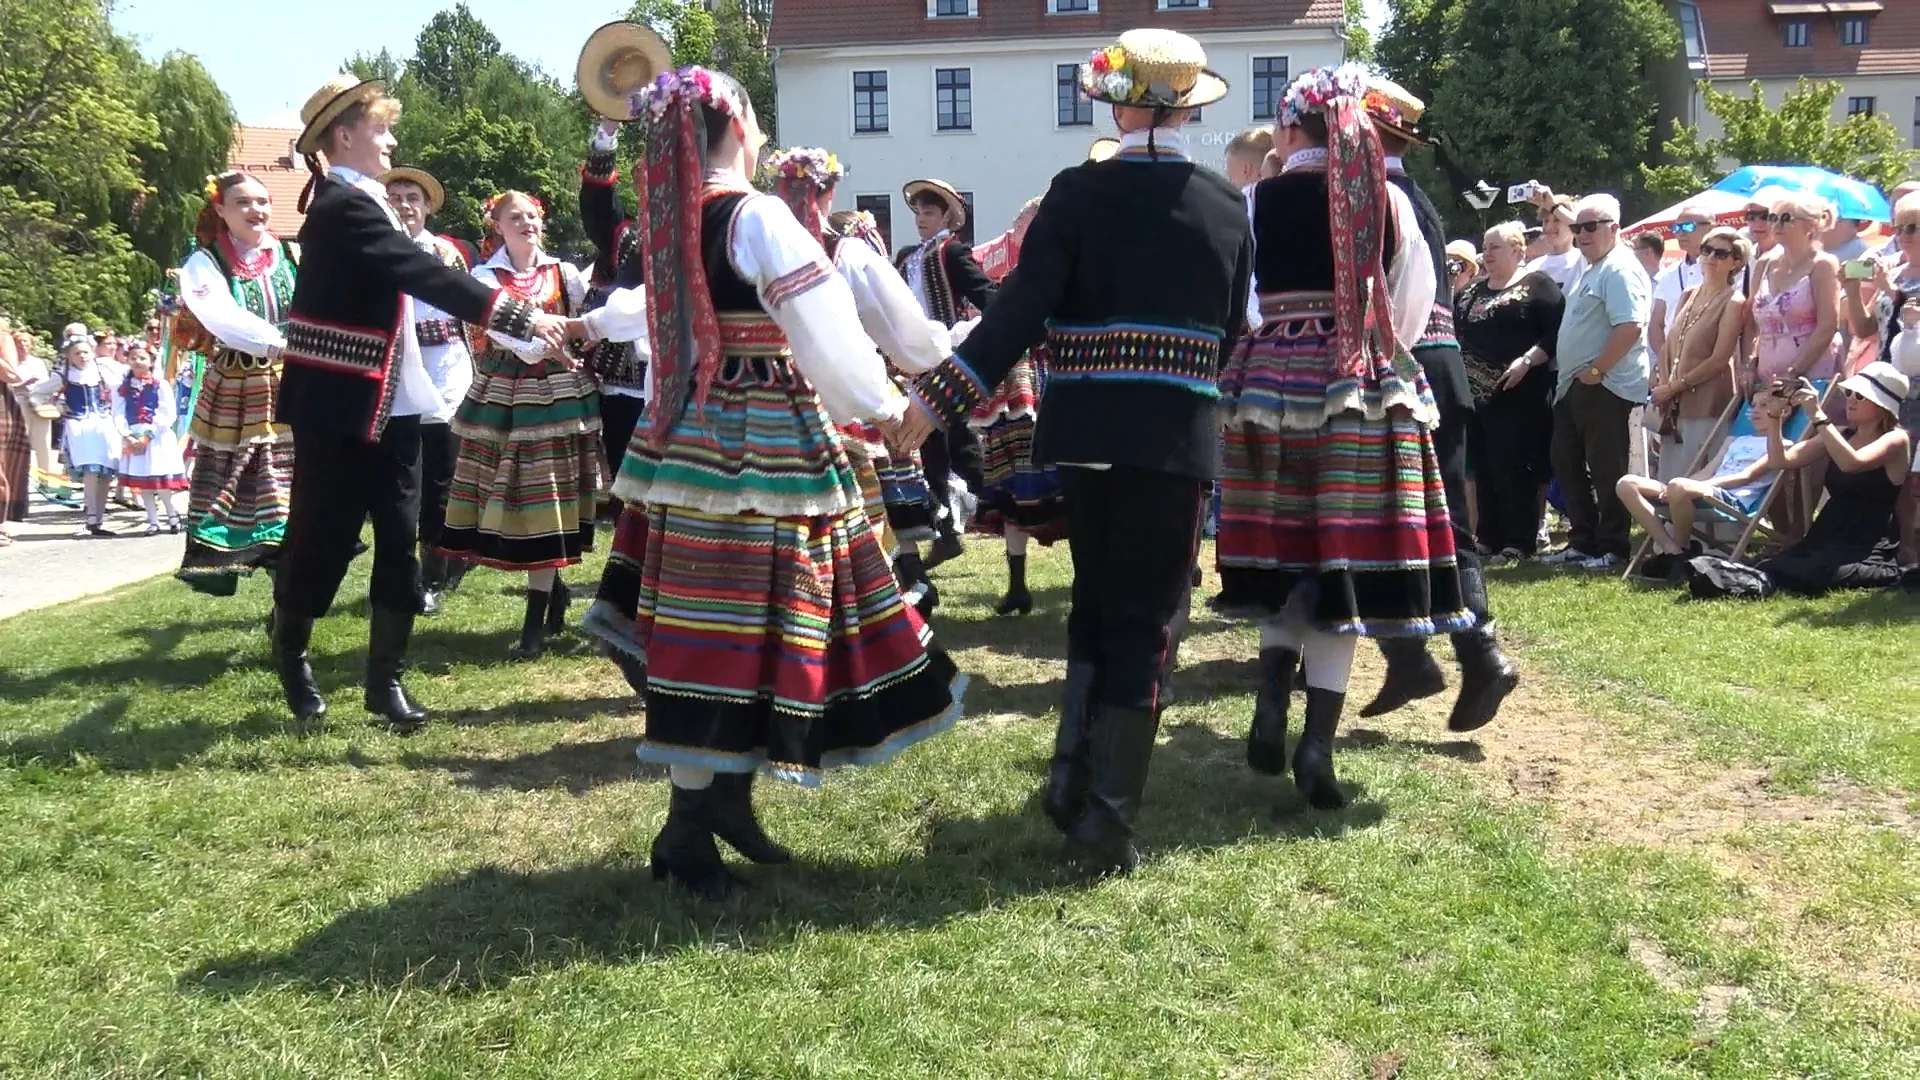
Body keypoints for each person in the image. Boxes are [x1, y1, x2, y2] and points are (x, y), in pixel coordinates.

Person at [584, 65, 963, 901]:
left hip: (688, 438)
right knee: (730, 627)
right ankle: (688, 832)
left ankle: (724, 801)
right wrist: (890, 407)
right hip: (762, 442)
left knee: (716, 625)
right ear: (742, 121)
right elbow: (825, 333)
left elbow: (649, 315)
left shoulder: (675, 218)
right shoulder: (756, 216)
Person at [900, 29, 1251, 873]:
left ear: (1120, 104)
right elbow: (1234, 326)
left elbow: (1017, 312)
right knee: (1146, 621)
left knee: (1097, 599)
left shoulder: (1074, 193)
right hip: (1172, 435)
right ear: (1188, 106)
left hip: (1087, 430)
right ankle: (1105, 821)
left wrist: (937, 396)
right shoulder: (1227, 206)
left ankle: (1070, 778)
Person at [272, 76, 568, 728]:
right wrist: (512, 315)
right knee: (323, 541)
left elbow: (424, 275)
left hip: (395, 402)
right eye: (380, 129)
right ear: (343, 135)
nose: (392, 140)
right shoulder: (340, 208)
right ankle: (290, 650)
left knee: (400, 543)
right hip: (338, 405)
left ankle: (385, 683)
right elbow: (418, 272)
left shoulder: (364, 203)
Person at [1210, 63, 1466, 814]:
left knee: (1284, 550)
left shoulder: (1255, 198)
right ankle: (1317, 741)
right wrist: (1379, 359)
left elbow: (1244, 301)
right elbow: (1413, 300)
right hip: (1358, 386)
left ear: (1291, 129)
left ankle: (1268, 702)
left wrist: (1276, 340)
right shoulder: (1384, 197)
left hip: (1269, 388)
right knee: (1342, 562)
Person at [1354, 79, 1517, 733]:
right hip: (1438, 370)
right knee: (1441, 522)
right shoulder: (1410, 194)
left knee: (1382, 516)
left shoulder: (1378, 197)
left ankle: (1448, 657)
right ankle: (1443, 656)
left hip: (1407, 368)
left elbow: (1390, 303)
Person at [764, 147, 959, 613]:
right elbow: (908, 337)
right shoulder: (844, 253)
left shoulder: (749, 246)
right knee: (861, 516)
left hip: (767, 405)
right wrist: (950, 348)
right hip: (845, 399)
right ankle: (886, 597)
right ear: (829, 194)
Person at [436, 192, 605, 659]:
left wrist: (567, 348)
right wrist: (541, 345)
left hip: (559, 399)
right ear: (497, 225)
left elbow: (579, 325)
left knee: (551, 494)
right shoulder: (483, 277)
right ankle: (549, 596)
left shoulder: (563, 273)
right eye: (516, 218)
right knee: (519, 497)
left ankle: (537, 614)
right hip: (505, 396)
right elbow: (498, 330)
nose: (527, 223)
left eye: (532, 216)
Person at [1621, 365, 1910, 593]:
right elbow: (1780, 461)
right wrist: (1774, 421)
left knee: (1820, 574)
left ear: (1882, 405)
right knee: (1781, 566)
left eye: (1859, 396)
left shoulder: (1896, 439)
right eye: (1848, 393)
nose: (1851, 401)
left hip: (1869, 537)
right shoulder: (1841, 433)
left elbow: (1851, 463)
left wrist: (1818, 415)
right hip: (1830, 531)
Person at [173, 171, 298, 595]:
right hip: (238, 384)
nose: (256, 210)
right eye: (243, 202)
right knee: (237, 472)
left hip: (292, 380)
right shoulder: (204, 262)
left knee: (291, 474)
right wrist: (276, 343)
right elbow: (221, 316)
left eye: (262, 201)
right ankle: (241, 557)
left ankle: (290, 589)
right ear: (220, 209)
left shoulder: (292, 253)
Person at [964, 194, 1071, 615]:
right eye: (1024, 227)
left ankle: (1078, 585)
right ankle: (1017, 586)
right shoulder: (1016, 277)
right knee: (1013, 480)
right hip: (1017, 387)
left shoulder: (1057, 274)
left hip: (1047, 383)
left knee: (1066, 478)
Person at [382, 166, 477, 616]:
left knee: (444, 471)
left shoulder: (445, 252)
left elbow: (466, 306)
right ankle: (409, 566)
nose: (403, 204)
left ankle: (435, 567)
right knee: (405, 477)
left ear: (425, 206)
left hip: (447, 368)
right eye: (395, 196)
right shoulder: (378, 250)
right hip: (398, 373)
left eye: (412, 198)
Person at [1541, 193, 1653, 570]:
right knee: (1567, 463)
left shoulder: (1619, 268)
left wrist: (1596, 371)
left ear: (1614, 229)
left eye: (1591, 226)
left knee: (1607, 467)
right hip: (1576, 385)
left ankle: (1613, 547)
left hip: (1606, 386)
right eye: (1578, 227)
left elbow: (1630, 327)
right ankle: (1583, 541)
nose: (1582, 233)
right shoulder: (1593, 267)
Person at [894, 176, 994, 568]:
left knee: (955, 444)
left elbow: (989, 299)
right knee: (929, 448)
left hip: (947, 361)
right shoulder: (905, 257)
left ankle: (993, 511)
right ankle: (947, 531)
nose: (921, 218)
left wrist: (957, 337)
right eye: (917, 211)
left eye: (929, 211)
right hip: (913, 365)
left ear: (948, 216)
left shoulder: (952, 252)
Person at [1455, 221, 1564, 561]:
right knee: (1484, 467)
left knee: (1515, 465)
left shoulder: (1538, 285)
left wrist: (1528, 361)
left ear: (1518, 251)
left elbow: (1557, 331)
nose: (1487, 253)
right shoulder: (1471, 291)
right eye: (1485, 247)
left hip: (1521, 391)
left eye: (1495, 247)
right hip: (1477, 394)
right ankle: (1488, 536)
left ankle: (1519, 540)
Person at [579, 119, 651, 525]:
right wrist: (607, 133)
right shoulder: (627, 236)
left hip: (688, 371)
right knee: (627, 465)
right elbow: (598, 203)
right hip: (626, 373)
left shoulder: (704, 229)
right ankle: (631, 554)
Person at [1649, 227, 1749, 484]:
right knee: (1669, 476)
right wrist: (1660, 379)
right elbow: (1672, 343)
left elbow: (1719, 358)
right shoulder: (1688, 295)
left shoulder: (1734, 301)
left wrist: (1674, 387)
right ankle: (1671, 526)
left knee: (1694, 477)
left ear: (1735, 262)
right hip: (1674, 403)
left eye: (1721, 253)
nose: (1711, 257)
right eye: (1707, 250)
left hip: (1707, 402)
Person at [1748, 192, 1842, 392]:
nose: (1776, 224)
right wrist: (1749, 365)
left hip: (1809, 377)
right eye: (1773, 218)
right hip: (1766, 378)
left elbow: (1828, 326)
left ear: (1811, 225)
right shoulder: (1764, 263)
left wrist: (1793, 373)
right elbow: (1751, 323)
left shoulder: (1823, 264)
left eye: (1786, 218)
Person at [32, 326, 120, 536]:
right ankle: (90, 518)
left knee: (106, 473)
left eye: (85, 352)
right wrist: (55, 408)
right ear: (69, 356)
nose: (82, 356)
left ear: (92, 351)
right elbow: (37, 393)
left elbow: (121, 390)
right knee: (91, 472)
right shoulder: (64, 374)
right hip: (79, 427)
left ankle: (98, 519)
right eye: (76, 353)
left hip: (103, 424)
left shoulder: (101, 370)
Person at [114, 344, 187, 534]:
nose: (137, 362)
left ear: (151, 361)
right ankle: (153, 521)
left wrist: (149, 434)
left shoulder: (160, 384)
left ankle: (172, 515)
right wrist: (127, 435)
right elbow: (118, 413)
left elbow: (168, 413)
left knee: (160, 482)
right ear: (128, 361)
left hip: (157, 438)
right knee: (143, 483)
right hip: (134, 437)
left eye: (142, 358)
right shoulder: (122, 387)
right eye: (133, 358)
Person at [1650, 205, 1712, 354]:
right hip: (1672, 361)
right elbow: (1656, 325)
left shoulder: (1726, 270)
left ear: (1711, 228)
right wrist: (1666, 360)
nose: (1681, 233)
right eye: (1677, 228)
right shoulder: (1668, 274)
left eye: (1688, 227)